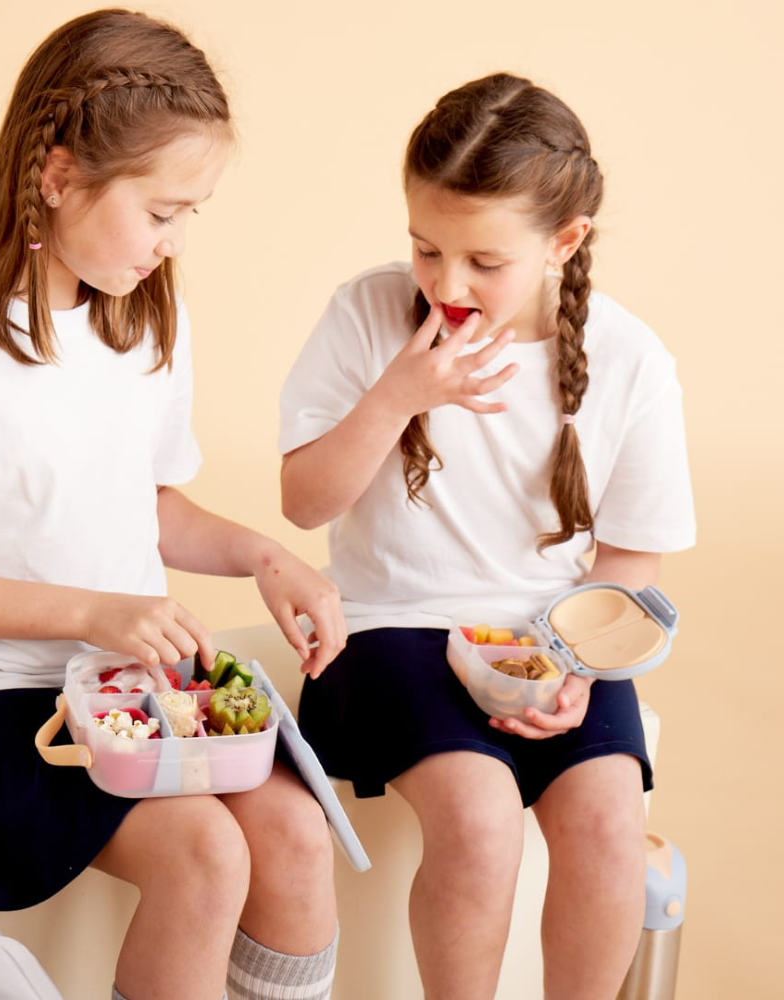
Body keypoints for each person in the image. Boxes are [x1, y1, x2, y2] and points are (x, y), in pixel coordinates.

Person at [0, 10, 344, 1000]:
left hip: (119, 681)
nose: (174, 240)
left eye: (193, 212)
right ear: (57, 175)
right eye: (160, 211)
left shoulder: (146, 313)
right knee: (206, 854)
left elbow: (147, 509)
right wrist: (95, 612)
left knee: (293, 835)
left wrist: (264, 556)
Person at [279, 72, 695, 1000]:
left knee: (608, 830)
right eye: (427, 249)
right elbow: (305, 503)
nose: (448, 285)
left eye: (484, 261)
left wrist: (582, 669)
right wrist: (399, 395)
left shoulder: (632, 359)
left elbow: (631, 556)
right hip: (391, 625)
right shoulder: (368, 312)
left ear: (566, 241)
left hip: (552, 638)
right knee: (480, 820)